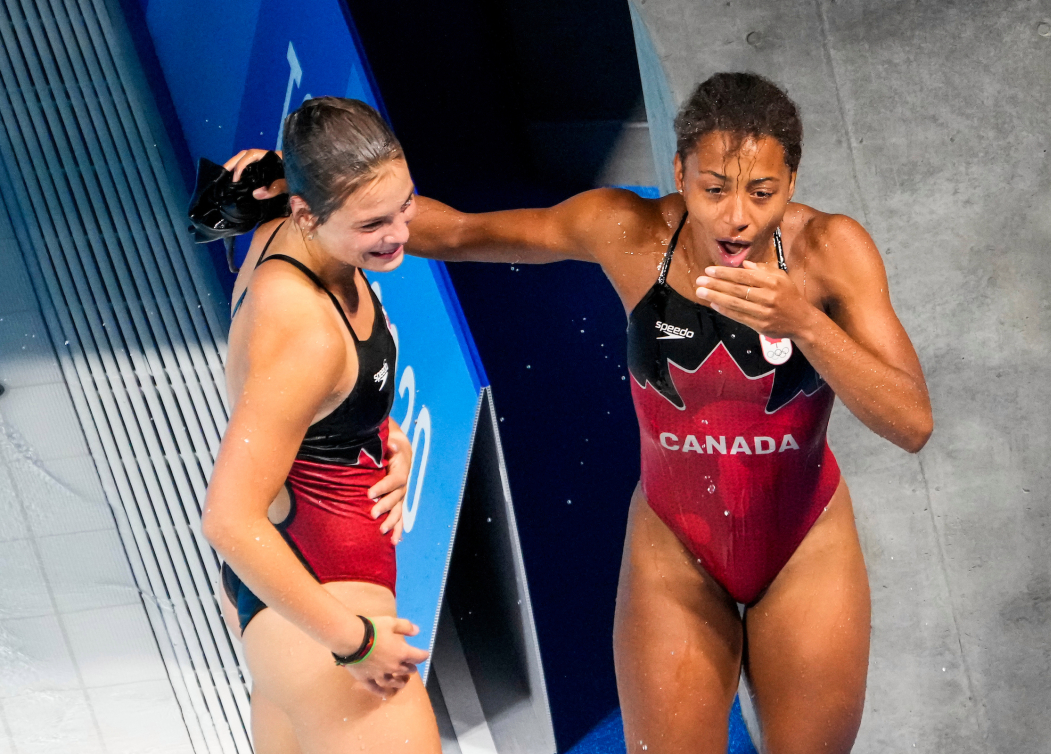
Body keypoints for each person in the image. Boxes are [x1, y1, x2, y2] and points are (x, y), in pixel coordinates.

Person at [230, 71, 932, 754]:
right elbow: (457, 233)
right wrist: (309, 187)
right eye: (715, 190)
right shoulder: (624, 232)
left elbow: (910, 422)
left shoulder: (829, 252)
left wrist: (805, 322)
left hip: (803, 546)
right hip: (674, 550)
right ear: (681, 172)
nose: (737, 216)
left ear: (792, 185)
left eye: (762, 192)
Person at [203, 97, 440, 754]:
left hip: (308, 589)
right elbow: (227, 518)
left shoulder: (290, 220)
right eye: (372, 224)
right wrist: (353, 643)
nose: (397, 234)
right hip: (318, 601)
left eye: (405, 207)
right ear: (308, 213)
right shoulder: (303, 328)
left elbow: (320, 412)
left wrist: (378, 436)